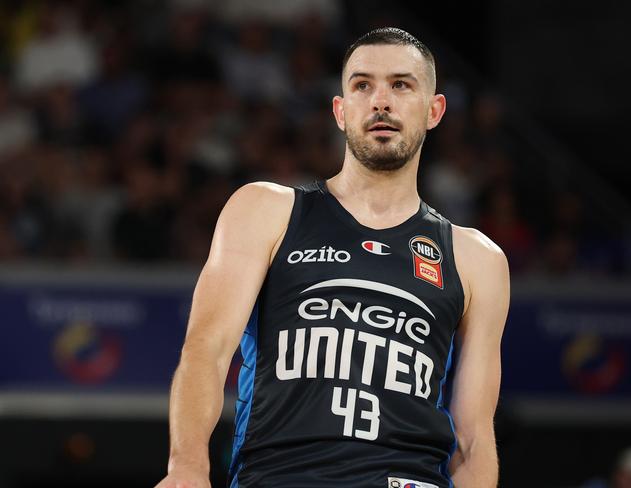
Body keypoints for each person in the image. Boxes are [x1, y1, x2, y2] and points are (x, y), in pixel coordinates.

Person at [154, 27, 510, 488]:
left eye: (401, 85)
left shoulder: (477, 258)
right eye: (363, 85)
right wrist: (186, 466)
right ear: (340, 112)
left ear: (434, 110)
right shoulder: (265, 210)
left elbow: (474, 439)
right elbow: (206, 351)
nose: (380, 101)